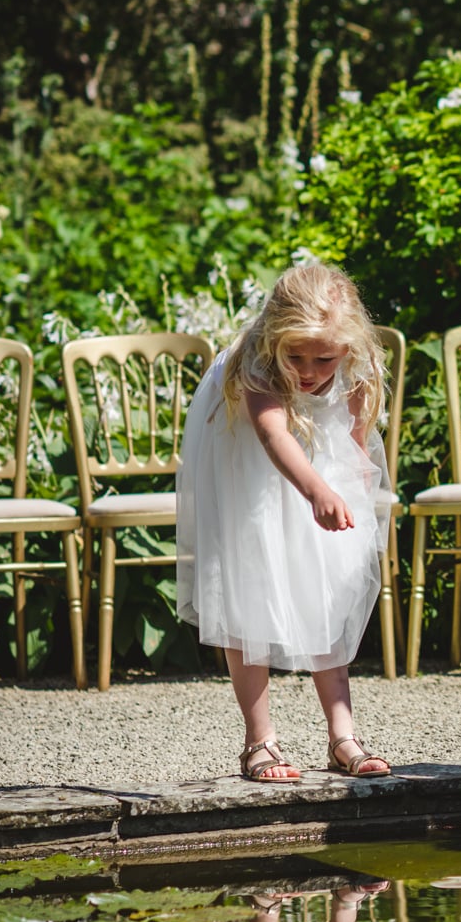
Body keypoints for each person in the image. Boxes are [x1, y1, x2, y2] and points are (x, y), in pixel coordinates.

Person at [176, 261, 396, 783]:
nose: (308, 370)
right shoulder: (258, 359)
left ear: (346, 346)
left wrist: (351, 490)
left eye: (324, 358)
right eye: (295, 355)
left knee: (327, 583)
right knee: (249, 588)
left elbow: (357, 435)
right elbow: (273, 435)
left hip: (322, 459)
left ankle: (342, 736)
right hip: (248, 467)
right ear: (276, 337)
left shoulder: (357, 359)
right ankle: (260, 742)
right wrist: (315, 490)